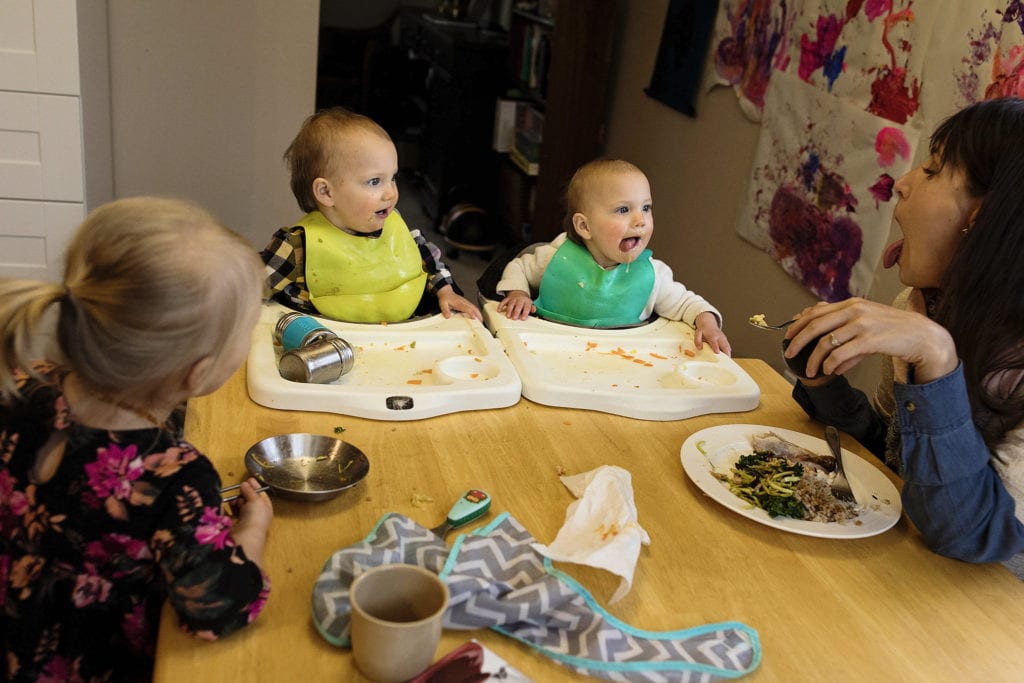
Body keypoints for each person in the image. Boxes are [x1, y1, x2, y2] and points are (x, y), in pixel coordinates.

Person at [0, 197, 273, 681]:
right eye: (247, 330)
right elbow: (217, 606)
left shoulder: (20, 385)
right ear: (198, 373)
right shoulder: (175, 476)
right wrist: (254, 529)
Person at [782, 97, 1024, 573]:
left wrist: (937, 357)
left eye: (932, 171)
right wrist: (823, 383)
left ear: (982, 218)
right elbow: (897, 463)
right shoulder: (922, 310)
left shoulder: (941, 344)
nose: (903, 182)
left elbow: (973, 534)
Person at [261, 107, 482, 323]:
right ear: (326, 192)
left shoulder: (395, 226)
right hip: (325, 341)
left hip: (399, 337)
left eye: (393, 178)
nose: (391, 193)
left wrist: (446, 291)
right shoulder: (296, 246)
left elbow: (430, 262)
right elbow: (251, 291)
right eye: (375, 181)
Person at [495, 159, 731, 353]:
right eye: (623, 210)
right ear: (584, 226)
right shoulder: (556, 258)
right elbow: (518, 267)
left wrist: (707, 323)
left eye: (646, 208)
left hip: (620, 361)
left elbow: (688, 304)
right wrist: (518, 294)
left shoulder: (652, 276)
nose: (640, 220)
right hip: (546, 351)